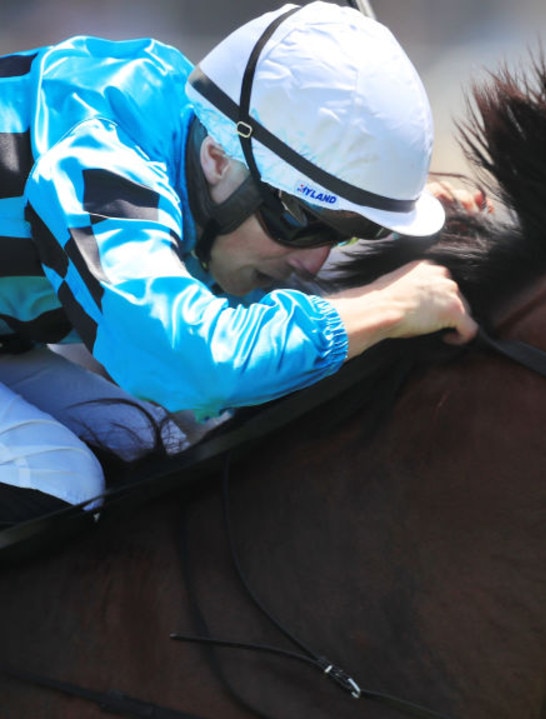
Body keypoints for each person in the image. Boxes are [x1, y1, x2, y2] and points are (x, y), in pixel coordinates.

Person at [0, 1, 479, 527]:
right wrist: (382, 307)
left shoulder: (198, 132)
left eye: (342, 235)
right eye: (300, 220)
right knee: (59, 479)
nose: (314, 261)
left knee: (136, 440)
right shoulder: (101, 158)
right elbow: (191, 362)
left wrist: (375, 218)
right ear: (219, 158)